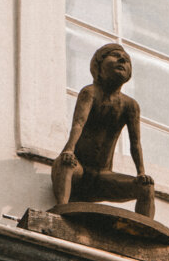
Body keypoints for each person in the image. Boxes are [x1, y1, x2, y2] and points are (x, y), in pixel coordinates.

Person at [51, 43, 155, 218]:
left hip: (102, 178)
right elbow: (78, 123)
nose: (122, 59)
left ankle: (145, 231)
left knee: (146, 187)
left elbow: (135, 144)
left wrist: (141, 173)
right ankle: (61, 212)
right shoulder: (90, 92)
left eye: (127, 60)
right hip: (78, 171)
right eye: (114, 55)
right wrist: (68, 150)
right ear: (98, 65)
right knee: (65, 164)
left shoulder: (130, 105)